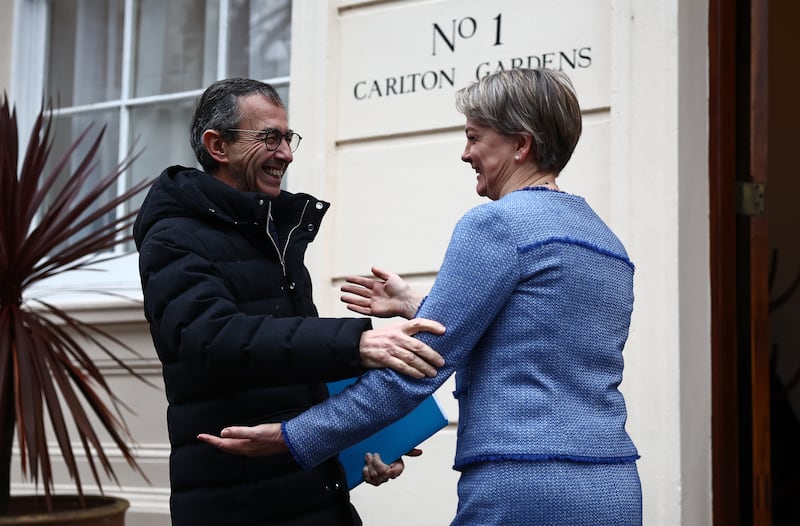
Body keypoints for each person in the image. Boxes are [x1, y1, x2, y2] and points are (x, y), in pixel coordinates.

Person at [199, 68, 642, 525]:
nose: (465, 153)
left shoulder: (497, 224)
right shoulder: (607, 243)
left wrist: (295, 436)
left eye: (474, 137)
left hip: (524, 486)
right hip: (613, 486)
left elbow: (418, 366)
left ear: (521, 145)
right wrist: (417, 306)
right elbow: (537, 338)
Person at [133, 77, 446, 526]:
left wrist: (363, 440)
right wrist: (359, 344)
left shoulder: (273, 230)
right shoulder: (172, 237)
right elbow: (212, 337)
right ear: (217, 145)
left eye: (288, 138)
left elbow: (292, 363)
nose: (287, 154)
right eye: (270, 138)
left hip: (313, 490)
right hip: (239, 503)